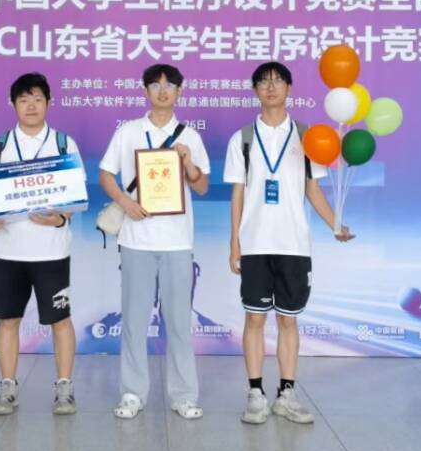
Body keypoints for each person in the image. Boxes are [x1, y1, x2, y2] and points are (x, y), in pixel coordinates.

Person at [224, 61, 354, 425]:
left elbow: (313, 189)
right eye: (264, 82)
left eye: (278, 81)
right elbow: (238, 193)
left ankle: (286, 394)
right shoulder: (242, 139)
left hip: (294, 244)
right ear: (255, 90)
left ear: (289, 89)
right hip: (255, 243)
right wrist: (234, 243)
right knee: (254, 318)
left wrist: (336, 225)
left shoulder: (308, 136)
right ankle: (255, 394)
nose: (271, 87)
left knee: (288, 321)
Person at [99, 63, 211, 421]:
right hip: (136, 240)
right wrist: (126, 202)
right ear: (145, 90)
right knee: (134, 321)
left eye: (170, 85)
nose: (163, 91)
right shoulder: (129, 132)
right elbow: (105, 173)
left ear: (180, 91)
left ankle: (184, 395)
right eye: (156, 85)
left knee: (178, 322)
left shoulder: (190, 136)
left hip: (177, 241)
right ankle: (132, 393)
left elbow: (202, 186)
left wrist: (188, 163)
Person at [0, 72, 81, 415]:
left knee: (60, 320)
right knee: (8, 320)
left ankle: (64, 388)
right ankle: (7, 388)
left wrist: (60, 218)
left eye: (37, 99)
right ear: (13, 104)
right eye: (24, 100)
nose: (31, 106)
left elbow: (74, 198)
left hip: (52, 252)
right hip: (8, 251)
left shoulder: (64, 144)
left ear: (49, 103)